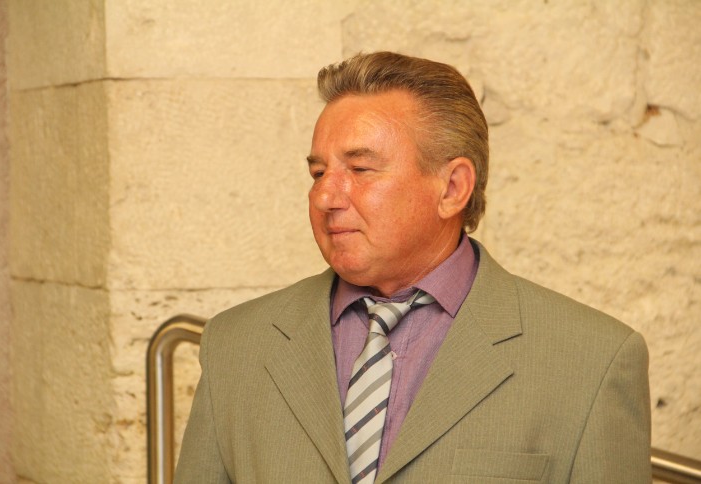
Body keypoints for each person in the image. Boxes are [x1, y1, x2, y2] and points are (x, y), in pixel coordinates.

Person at [174, 52, 651, 484]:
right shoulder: (235, 345)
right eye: (318, 172)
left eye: (360, 169)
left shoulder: (594, 361)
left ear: (452, 188)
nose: (323, 196)